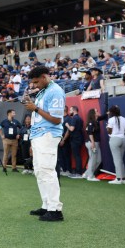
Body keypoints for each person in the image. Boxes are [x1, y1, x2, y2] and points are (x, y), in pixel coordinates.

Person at [23, 65, 65, 222]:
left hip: (48, 134)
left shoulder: (55, 91)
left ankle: (55, 209)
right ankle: (47, 205)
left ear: (44, 77)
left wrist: (35, 108)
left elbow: (56, 119)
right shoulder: (44, 91)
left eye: (36, 82)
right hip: (39, 134)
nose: (35, 85)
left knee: (47, 171)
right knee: (40, 171)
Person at [106, 105, 125, 185]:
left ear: (111, 112)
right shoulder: (124, 119)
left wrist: (107, 128)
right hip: (123, 139)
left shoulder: (111, 119)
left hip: (115, 139)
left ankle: (118, 179)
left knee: (117, 160)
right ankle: (123, 178)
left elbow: (109, 131)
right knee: (120, 160)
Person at [64, 106, 84, 178]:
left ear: (74, 110)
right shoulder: (79, 118)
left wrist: (67, 125)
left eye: (70, 110)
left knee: (77, 156)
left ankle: (78, 173)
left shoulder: (74, 118)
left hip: (75, 139)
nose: (69, 111)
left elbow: (71, 129)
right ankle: (78, 172)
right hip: (78, 139)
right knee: (77, 155)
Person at [84, 108, 101, 182]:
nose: (98, 112)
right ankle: (90, 176)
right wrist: (93, 142)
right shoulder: (91, 122)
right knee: (93, 159)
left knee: (98, 160)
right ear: (93, 114)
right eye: (96, 111)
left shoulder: (96, 121)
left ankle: (87, 173)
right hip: (92, 143)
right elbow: (90, 133)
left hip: (94, 142)